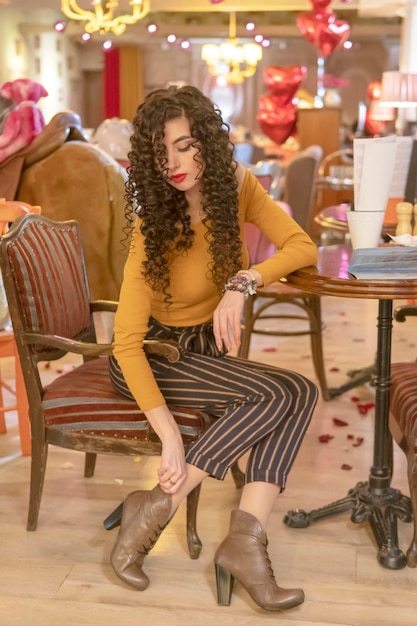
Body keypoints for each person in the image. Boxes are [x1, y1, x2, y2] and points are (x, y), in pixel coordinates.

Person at [108, 84, 319, 612]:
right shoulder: (151, 223)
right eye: (161, 151)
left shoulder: (237, 187)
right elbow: (126, 343)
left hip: (204, 353)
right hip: (151, 358)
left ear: (207, 140)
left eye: (184, 145)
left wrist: (242, 282)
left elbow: (302, 246)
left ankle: (238, 541)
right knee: (288, 394)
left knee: (295, 394)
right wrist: (170, 442)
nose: (173, 163)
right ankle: (164, 511)